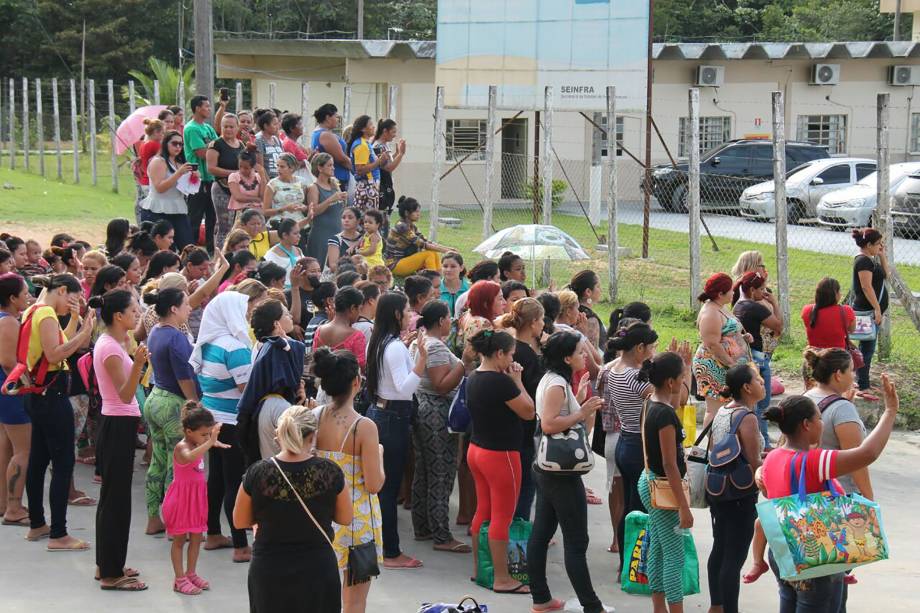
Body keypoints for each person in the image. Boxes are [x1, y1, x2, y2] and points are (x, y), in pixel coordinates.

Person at [760, 378, 899, 612]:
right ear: (806, 424)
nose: (822, 424)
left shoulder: (773, 457)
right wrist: (890, 410)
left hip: (782, 552)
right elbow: (868, 453)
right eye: (820, 419)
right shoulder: (813, 461)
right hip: (813, 557)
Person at [236, 404, 351, 613]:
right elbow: (345, 517)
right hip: (317, 567)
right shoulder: (329, 472)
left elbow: (240, 521)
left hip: (269, 568)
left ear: (279, 433)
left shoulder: (258, 472)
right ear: (313, 435)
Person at [528, 331, 607, 613]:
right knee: (576, 540)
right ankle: (591, 605)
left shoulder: (556, 381)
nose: (584, 355)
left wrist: (579, 400)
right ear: (566, 357)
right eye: (579, 351)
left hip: (550, 469)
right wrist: (582, 410)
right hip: (559, 473)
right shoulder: (556, 385)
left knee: (543, 530)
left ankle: (541, 598)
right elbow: (550, 424)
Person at [23, 274, 95, 550]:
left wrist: (78, 323)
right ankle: (58, 534)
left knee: (39, 460)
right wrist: (86, 334)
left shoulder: (33, 310)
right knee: (63, 462)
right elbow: (55, 355)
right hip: (51, 395)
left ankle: (37, 524)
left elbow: (57, 345)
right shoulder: (47, 315)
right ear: (62, 290)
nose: (72, 306)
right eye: (72, 299)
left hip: (39, 394)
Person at [311, 349, 384, 613]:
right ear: (356, 381)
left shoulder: (315, 416)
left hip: (321, 516)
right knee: (354, 602)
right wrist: (379, 456)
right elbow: (374, 484)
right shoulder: (364, 427)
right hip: (357, 520)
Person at [466, 329, 535, 595]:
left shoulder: (474, 376)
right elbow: (529, 412)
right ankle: (502, 578)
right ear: (499, 354)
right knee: (502, 517)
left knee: (483, 510)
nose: (512, 361)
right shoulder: (502, 382)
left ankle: (480, 570)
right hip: (501, 454)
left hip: (477, 450)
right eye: (510, 355)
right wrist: (518, 381)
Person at [89, 290, 148, 591]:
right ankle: (111, 573)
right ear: (118, 316)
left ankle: (107, 563)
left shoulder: (114, 341)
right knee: (116, 501)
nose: (137, 313)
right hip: (117, 423)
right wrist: (138, 364)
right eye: (133, 309)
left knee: (113, 498)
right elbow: (125, 395)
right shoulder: (110, 348)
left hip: (118, 423)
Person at [190, 291, 254, 562]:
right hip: (231, 422)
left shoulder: (207, 343)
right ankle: (241, 545)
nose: (247, 315)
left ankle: (214, 532)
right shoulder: (234, 347)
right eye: (244, 309)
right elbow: (245, 387)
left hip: (212, 419)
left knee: (216, 478)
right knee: (233, 482)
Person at [365, 292, 427, 569]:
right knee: (388, 488)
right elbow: (404, 388)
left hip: (380, 413)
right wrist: (422, 360)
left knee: (382, 487)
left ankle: (382, 546)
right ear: (396, 315)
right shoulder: (393, 347)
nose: (412, 315)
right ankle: (390, 552)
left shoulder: (382, 342)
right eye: (407, 310)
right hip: (393, 416)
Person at [409, 301, 475, 553]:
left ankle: (423, 526)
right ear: (440, 321)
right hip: (435, 411)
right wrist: (464, 362)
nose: (451, 322)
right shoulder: (434, 346)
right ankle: (441, 534)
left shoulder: (421, 340)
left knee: (425, 471)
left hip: (424, 408)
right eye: (449, 318)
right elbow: (441, 384)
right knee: (441, 473)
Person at [636, 348, 693, 613]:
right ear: (670, 382)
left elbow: (680, 401)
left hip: (648, 481)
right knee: (675, 556)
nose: (683, 382)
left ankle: (659, 607)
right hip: (663, 488)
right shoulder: (665, 415)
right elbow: (670, 463)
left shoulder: (651, 401)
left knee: (658, 550)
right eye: (681, 377)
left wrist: (687, 366)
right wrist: (683, 506)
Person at [706, 364, 765, 613]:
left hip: (719, 489)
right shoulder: (747, 417)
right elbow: (755, 463)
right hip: (740, 494)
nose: (762, 382)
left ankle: (716, 605)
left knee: (719, 548)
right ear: (747, 387)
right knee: (734, 557)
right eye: (758, 380)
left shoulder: (722, 411)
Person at [143, 288, 200, 534]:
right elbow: (184, 376)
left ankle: (154, 518)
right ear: (174, 309)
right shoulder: (176, 337)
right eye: (186, 304)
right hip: (173, 403)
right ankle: (174, 523)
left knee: (158, 459)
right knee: (175, 466)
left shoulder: (156, 331)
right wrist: (194, 403)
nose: (190, 308)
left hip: (155, 398)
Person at [602, 322, 656, 562]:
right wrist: (681, 371)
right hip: (637, 444)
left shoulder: (615, 370)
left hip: (625, 440)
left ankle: (627, 562)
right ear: (640, 347)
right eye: (652, 347)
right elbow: (663, 398)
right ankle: (635, 563)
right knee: (640, 507)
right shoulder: (634, 376)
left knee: (630, 505)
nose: (654, 352)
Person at [163, 402, 228, 595]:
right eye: (204, 434)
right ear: (189, 432)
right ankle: (179, 578)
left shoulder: (198, 442)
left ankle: (191, 573)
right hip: (182, 501)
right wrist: (210, 442)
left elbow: (200, 447)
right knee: (179, 540)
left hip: (197, 499)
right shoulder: (182, 447)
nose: (207, 438)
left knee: (197, 537)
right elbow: (190, 457)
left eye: (209, 434)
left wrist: (210, 441)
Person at [236, 299, 304, 463]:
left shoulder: (267, 345)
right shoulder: (276, 347)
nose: (290, 317)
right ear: (276, 324)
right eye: (286, 314)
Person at [501, 298, 545, 521]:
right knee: (526, 488)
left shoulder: (509, 348)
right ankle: (519, 536)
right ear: (534, 322)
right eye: (542, 320)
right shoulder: (528, 356)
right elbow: (538, 395)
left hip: (506, 427)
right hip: (525, 430)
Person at [732, 271, 783, 448]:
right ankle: (764, 444)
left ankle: (757, 440)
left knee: (751, 403)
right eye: (761, 289)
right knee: (762, 403)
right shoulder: (755, 307)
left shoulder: (737, 305)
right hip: (758, 359)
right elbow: (778, 326)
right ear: (752, 290)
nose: (764, 293)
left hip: (745, 356)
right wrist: (774, 302)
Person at [694, 273, 752, 426]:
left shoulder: (720, 307)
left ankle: (725, 441)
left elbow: (728, 332)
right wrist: (732, 364)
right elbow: (712, 344)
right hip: (715, 366)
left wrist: (743, 337)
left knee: (728, 407)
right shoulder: (710, 313)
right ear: (720, 294)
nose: (734, 292)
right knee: (715, 409)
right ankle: (712, 445)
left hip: (727, 365)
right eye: (731, 290)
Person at [0, 274, 32, 526]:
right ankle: (14, 507)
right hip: (12, 393)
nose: (28, 297)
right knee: (22, 450)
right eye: (24, 294)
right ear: (12, 298)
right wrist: (30, 385)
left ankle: (5, 502)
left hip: (4, 391)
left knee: (7, 446)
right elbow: (9, 362)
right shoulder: (9, 322)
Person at [850, 228, 889, 401]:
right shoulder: (863, 262)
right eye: (878, 243)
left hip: (872, 311)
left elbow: (886, 275)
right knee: (867, 348)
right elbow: (866, 287)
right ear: (868, 245)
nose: (881, 245)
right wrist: (877, 309)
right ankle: (862, 384)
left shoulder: (871, 260)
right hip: (867, 312)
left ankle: (862, 380)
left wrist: (882, 255)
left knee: (866, 348)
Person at [143, 130, 195, 249]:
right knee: (163, 249)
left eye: (181, 144)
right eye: (174, 143)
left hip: (178, 207)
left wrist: (194, 178)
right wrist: (179, 173)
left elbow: (185, 188)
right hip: (159, 209)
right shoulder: (158, 161)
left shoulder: (180, 162)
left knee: (188, 246)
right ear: (165, 144)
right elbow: (159, 188)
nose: (178, 147)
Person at [801, 277, 856, 389]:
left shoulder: (807, 310)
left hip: (812, 359)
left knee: (813, 395)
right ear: (835, 294)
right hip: (837, 361)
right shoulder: (846, 311)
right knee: (835, 395)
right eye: (839, 291)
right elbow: (852, 329)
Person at [184, 95, 219, 254]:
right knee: (195, 217)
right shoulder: (191, 128)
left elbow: (218, 148)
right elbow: (201, 152)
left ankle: (211, 250)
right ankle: (190, 251)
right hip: (198, 179)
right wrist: (216, 153)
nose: (209, 109)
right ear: (197, 108)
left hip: (211, 179)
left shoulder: (208, 128)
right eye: (206, 106)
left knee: (213, 217)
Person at [385, 197, 453, 276]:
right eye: (416, 211)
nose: (418, 214)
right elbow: (423, 245)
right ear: (407, 213)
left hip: (404, 262)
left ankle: (439, 278)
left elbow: (426, 242)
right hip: (394, 265)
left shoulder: (412, 227)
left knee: (433, 252)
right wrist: (447, 251)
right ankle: (432, 280)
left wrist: (448, 249)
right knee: (429, 254)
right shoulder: (402, 226)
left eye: (419, 211)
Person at [207, 113, 246, 249]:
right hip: (221, 188)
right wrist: (233, 173)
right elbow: (211, 168)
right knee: (224, 225)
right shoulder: (216, 144)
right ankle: (220, 255)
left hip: (238, 189)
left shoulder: (240, 144)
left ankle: (233, 253)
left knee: (237, 223)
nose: (228, 129)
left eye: (231, 126)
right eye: (225, 126)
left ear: (237, 128)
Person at [306, 153, 349, 264]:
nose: (333, 168)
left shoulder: (335, 185)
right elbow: (313, 212)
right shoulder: (314, 188)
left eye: (333, 165)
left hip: (337, 232)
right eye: (330, 165)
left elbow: (340, 210)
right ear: (320, 168)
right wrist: (330, 200)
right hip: (321, 235)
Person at [313, 287, 367, 374]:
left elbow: (315, 360)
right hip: (346, 385)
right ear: (353, 308)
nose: (359, 313)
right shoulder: (356, 336)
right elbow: (361, 367)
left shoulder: (320, 330)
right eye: (359, 309)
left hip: (323, 385)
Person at [347, 115, 390, 212]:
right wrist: (379, 161)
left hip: (369, 186)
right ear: (363, 129)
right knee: (370, 219)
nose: (373, 127)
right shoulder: (361, 145)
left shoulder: (365, 143)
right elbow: (360, 170)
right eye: (370, 124)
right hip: (367, 187)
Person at [262, 152, 310, 228]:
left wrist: (304, 208)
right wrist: (284, 209)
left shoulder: (302, 182)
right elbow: (265, 211)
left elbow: (307, 204)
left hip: (300, 223)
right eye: (277, 166)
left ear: (292, 168)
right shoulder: (272, 184)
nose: (278, 169)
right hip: (280, 224)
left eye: (282, 167)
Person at [311, 103, 353, 188]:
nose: (337, 119)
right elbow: (341, 159)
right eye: (336, 116)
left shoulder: (319, 133)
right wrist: (359, 169)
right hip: (336, 179)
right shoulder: (325, 135)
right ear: (328, 118)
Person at [372, 119, 406, 220]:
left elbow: (387, 163)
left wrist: (396, 154)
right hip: (381, 188)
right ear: (385, 131)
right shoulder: (378, 147)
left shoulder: (384, 145)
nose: (395, 135)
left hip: (386, 186)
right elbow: (388, 168)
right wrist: (401, 154)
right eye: (393, 132)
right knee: (381, 220)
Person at [136, 119, 165, 224]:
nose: (163, 135)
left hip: (145, 180)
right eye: (162, 133)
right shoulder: (155, 144)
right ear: (156, 132)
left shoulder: (145, 144)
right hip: (151, 181)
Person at [263, 218, 304, 288]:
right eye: (295, 233)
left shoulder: (298, 250)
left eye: (299, 233)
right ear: (284, 235)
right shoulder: (271, 254)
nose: (299, 236)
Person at [227, 151, 264, 226]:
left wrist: (263, 176)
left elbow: (262, 196)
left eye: (246, 168)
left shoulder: (258, 177)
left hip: (257, 212)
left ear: (253, 167)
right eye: (240, 166)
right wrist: (256, 199)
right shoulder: (234, 176)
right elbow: (238, 197)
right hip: (240, 212)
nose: (242, 170)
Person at [571, 270, 606, 349]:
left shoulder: (573, 311)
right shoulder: (589, 319)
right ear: (588, 292)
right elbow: (593, 351)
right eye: (598, 286)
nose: (601, 290)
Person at [326, 207, 364, 275]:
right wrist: (351, 262)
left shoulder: (363, 239)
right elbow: (333, 266)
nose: (346, 220)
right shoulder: (335, 240)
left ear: (358, 221)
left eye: (350, 218)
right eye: (343, 218)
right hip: (340, 279)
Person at [254, 110, 284, 180]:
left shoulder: (276, 139)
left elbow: (283, 159)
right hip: (268, 180)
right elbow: (260, 166)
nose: (278, 127)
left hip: (279, 179)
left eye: (278, 124)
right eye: (274, 124)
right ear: (266, 126)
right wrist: (268, 183)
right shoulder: (259, 140)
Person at [440, 252, 469, 317]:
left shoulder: (470, 289)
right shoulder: (434, 289)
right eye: (445, 266)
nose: (448, 269)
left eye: (453, 266)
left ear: (461, 268)